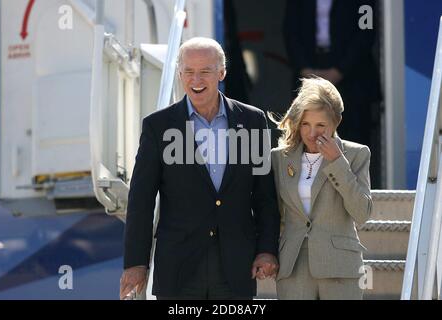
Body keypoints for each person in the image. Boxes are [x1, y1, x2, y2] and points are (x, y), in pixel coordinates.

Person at [120, 37, 280, 300]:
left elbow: (265, 195)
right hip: (178, 267)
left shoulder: (252, 120)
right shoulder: (157, 127)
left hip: (236, 266)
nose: (197, 80)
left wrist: (267, 249)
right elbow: (141, 200)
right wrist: (136, 263)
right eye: (189, 72)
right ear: (179, 74)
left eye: (205, 71)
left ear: (221, 72)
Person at [269, 77, 372, 300]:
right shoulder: (278, 158)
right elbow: (271, 213)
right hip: (293, 266)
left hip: (340, 267)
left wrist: (338, 163)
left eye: (321, 125)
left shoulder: (356, 154)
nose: (312, 133)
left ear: (336, 123)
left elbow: (362, 212)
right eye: (305, 124)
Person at [282, 0, 381, 150]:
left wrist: (339, 71)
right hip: (310, 68)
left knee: (354, 137)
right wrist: (304, 69)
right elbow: (290, 31)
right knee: (307, 135)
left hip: (352, 74)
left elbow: (366, 33)